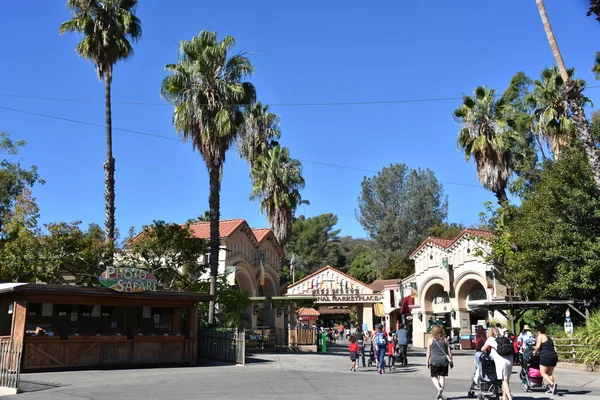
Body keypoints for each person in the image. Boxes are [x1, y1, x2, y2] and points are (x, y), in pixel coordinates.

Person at [481, 326, 513, 400]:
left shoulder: (490, 339)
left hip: (501, 361)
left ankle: (510, 397)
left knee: (504, 380)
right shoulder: (503, 338)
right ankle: (504, 397)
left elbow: (482, 349)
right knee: (506, 380)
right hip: (509, 359)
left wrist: (486, 352)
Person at [426, 325, 453, 400]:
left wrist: (427, 361)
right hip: (444, 361)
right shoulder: (444, 339)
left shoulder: (430, 340)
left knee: (433, 376)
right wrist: (451, 361)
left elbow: (428, 352)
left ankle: (439, 388)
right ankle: (440, 395)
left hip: (434, 361)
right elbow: (449, 351)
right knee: (442, 376)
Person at [533, 324, 558, 395]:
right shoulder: (548, 337)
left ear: (538, 331)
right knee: (550, 374)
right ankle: (551, 389)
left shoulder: (540, 336)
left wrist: (534, 352)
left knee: (543, 373)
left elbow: (537, 347)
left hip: (546, 356)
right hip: (553, 356)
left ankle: (552, 384)